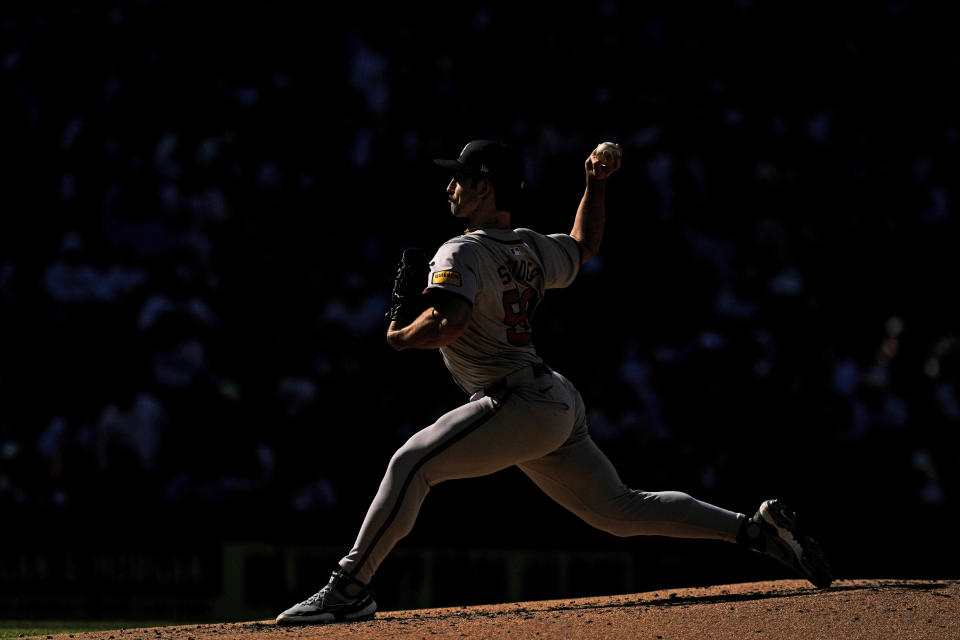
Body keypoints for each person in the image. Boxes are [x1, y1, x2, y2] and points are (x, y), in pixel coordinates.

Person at [276, 139, 832, 625]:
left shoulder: (459, 250)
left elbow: (451, 323)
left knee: (412, 463)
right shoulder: (529, 245)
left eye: (460, 178)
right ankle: (754, 530)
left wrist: (399, 335)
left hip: (516, 398)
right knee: (618, 510)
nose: (451, 185)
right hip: (551, 399)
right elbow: (584, 245)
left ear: (485, 187)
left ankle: (348, 589)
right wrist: (594, 184)